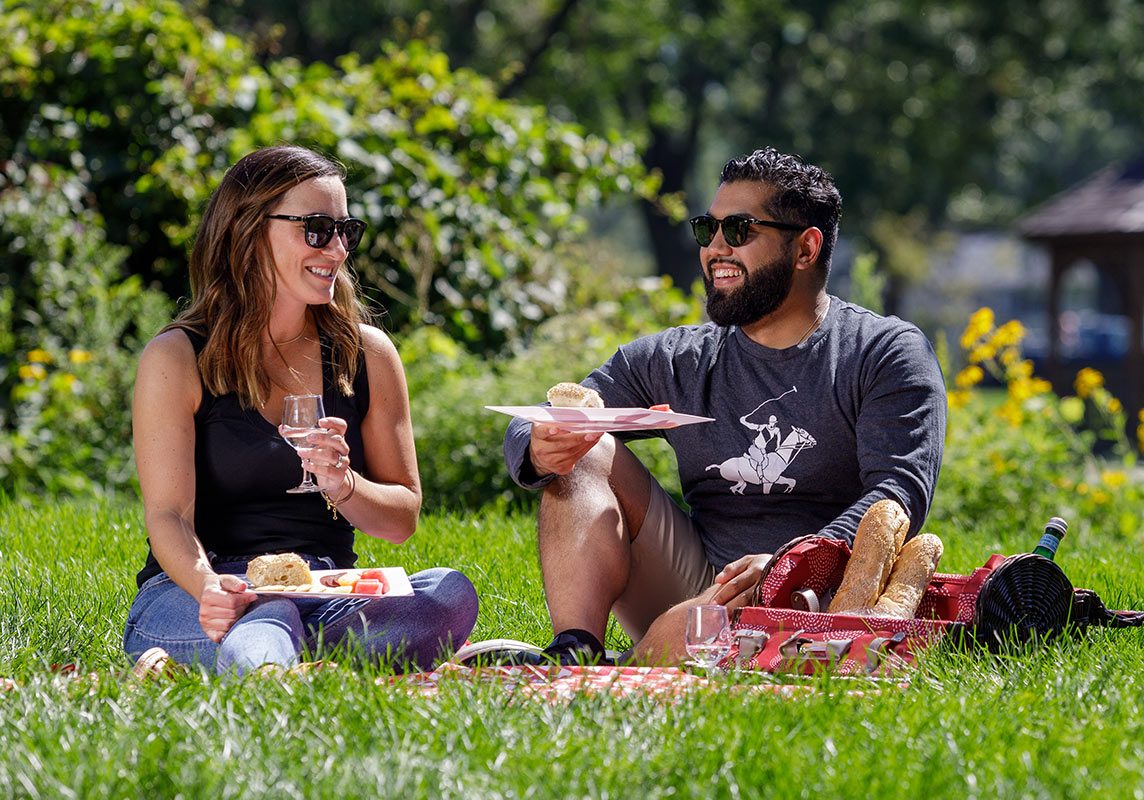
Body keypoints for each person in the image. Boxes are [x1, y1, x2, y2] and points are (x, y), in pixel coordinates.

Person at [502, 147, 946, 664]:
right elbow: (548, 416)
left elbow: (898, 495)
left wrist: (789, 564)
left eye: (738, 231)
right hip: (697, 579)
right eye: (706, 230)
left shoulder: (884, 353)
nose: (715, 249)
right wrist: (538, 446)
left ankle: (636, 664)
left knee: (683, 635)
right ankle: (575, 651)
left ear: (805, 249)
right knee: (587, 445)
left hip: (821, 599)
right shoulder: (676, 358)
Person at [124, 145, 478, 675]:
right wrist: (211, 587)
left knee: (448, 593)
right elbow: (168, 516)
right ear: (247, 230)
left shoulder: (368, 355)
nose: (336, 250)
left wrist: (345, 484)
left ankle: (276, 663)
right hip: (202, 593)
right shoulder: (177, 358)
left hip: (324, 591)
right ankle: (286, 666)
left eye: (345, 231)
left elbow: (402, 517)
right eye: (316, 229)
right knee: (267, 617)